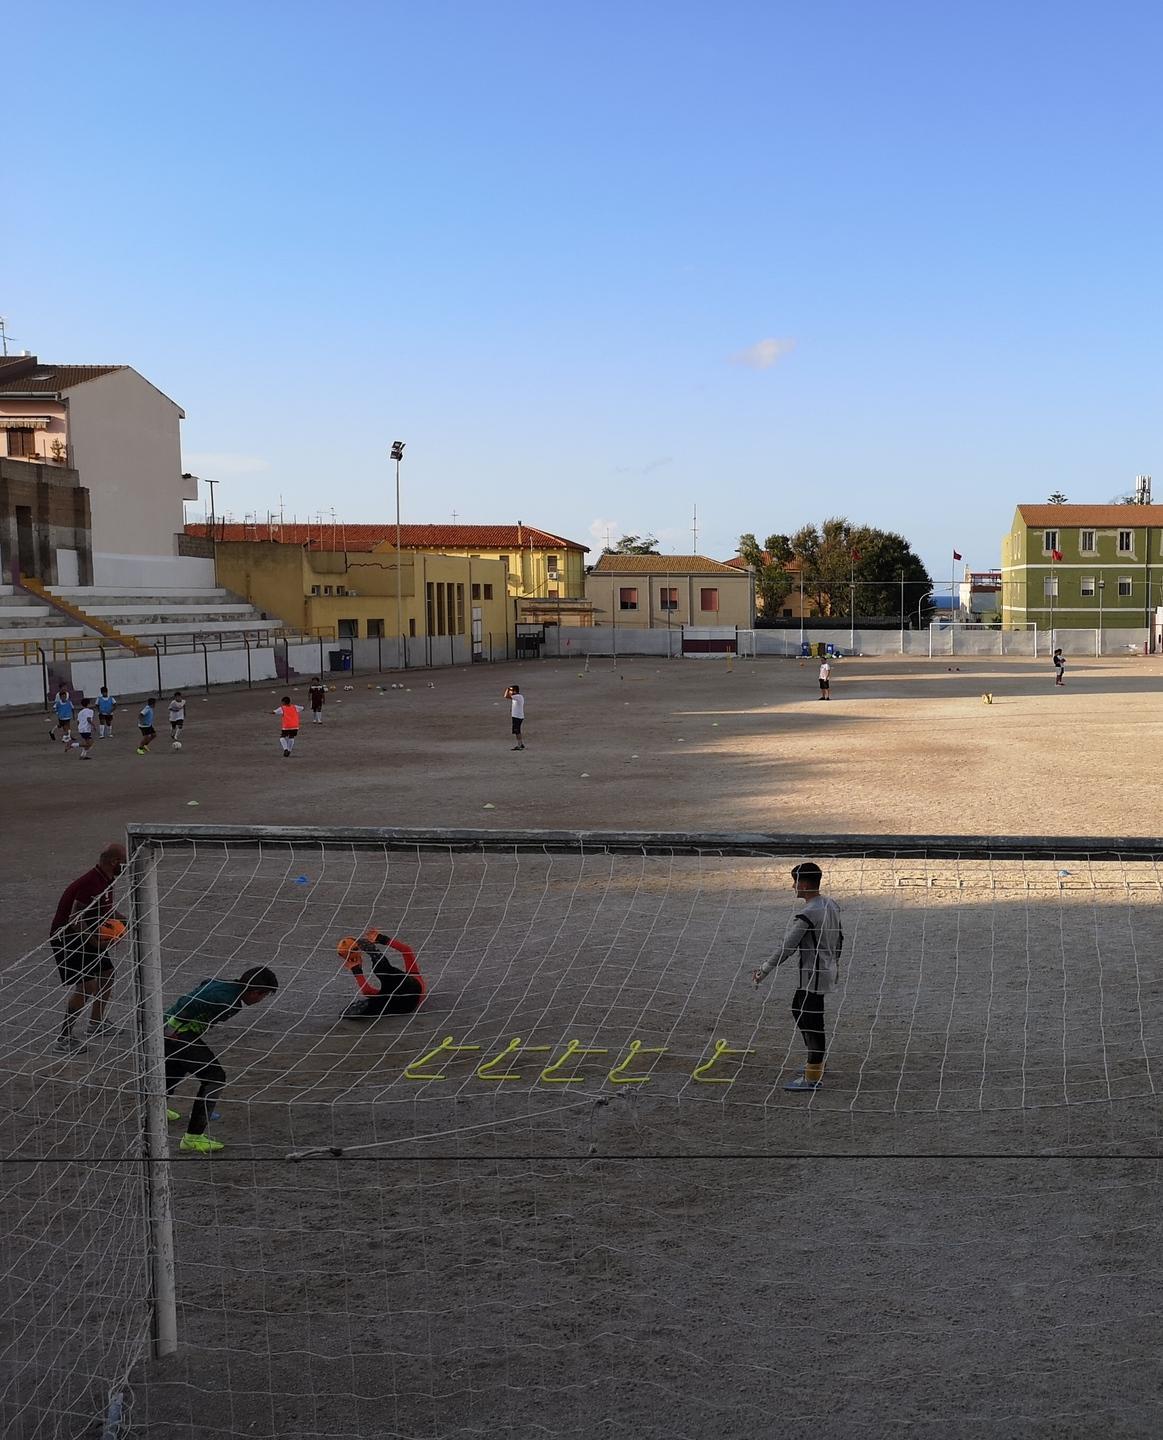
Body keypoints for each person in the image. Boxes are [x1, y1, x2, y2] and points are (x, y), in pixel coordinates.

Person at [163, 965, 278, 1154]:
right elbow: (188, 1003)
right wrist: (170, 1030)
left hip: (176, 1030)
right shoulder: (226, 999)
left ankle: (156, 1110)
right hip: (177, 1032)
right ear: (256, 992)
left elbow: (206, 983)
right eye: (263, 996)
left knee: (177, 1067)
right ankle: (193, 1137)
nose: (260, 1001)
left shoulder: (229, 987)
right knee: (214, 1077)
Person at [752, 861, 843, 1092]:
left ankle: (813, 1074)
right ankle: (816, 1062)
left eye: (795, 882)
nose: (793, 887)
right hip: (825, 970)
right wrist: (834, 962)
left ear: (803, 884)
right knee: (798, 1009)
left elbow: (787, 947)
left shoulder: (807, 914)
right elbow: (841, 938)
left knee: (811, 1021)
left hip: (813, 975)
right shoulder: (831, 904)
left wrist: (764, 970)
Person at [51, 843, 127, 1051]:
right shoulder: (91, 883)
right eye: (124, 863)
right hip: (68, 937)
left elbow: (106, 909)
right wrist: (95, 942)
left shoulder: (106, 880)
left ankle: (95, 1023)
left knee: (107, 973)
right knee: (86, 986)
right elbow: (75, 918)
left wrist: (127, 922)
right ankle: (63, 1039)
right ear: (114, 862)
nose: (126, 867)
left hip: (86, 934)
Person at [338, 930, 426, 1019]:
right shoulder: (413, 977)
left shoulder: (412, 976)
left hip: (400, 1005)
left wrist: (356, 969)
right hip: (409, 999)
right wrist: (381, 939)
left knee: (379, 1001)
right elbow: (406, 950)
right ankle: (376, 956)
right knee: (384, 973)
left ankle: (367, 1007)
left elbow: (406, 950)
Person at [505, 685, 525, 749]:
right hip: (517, 716)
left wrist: (507, 689)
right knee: (517, 731)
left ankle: (519, 745)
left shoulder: (517, 696)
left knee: (517, 731)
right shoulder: (518, 696)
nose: (510, 692)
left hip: (517, 717)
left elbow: (506, 696)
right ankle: (521, 744)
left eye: (511, 690)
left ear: (515, 691)